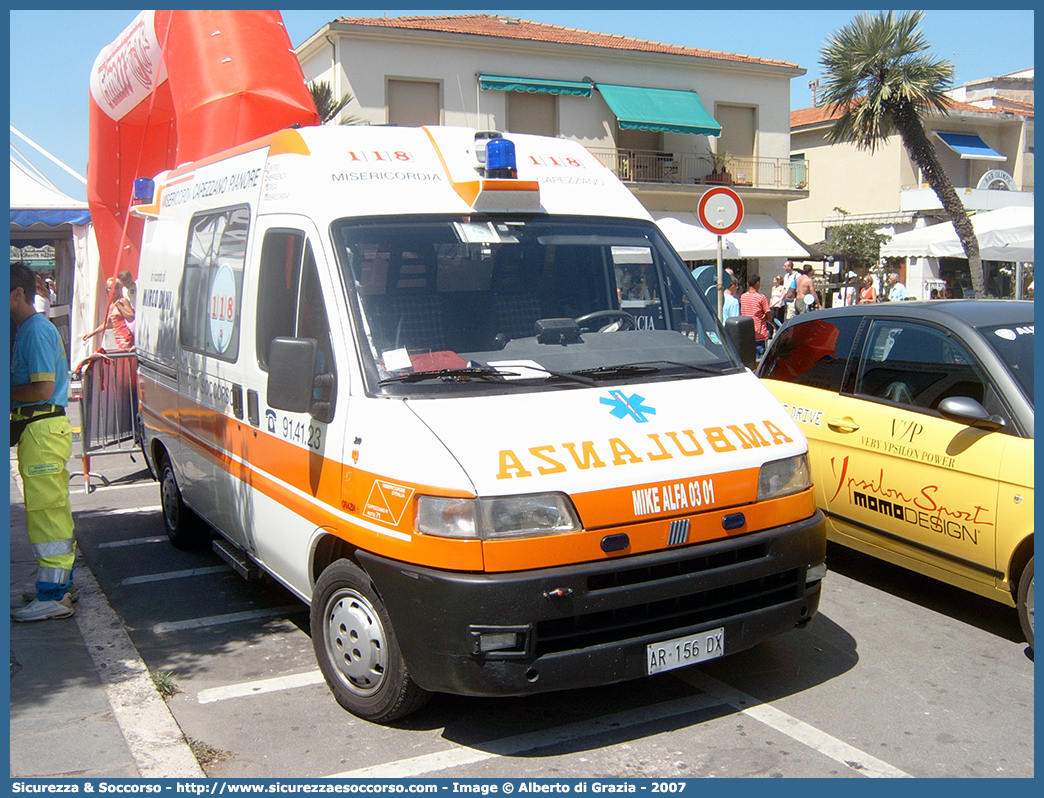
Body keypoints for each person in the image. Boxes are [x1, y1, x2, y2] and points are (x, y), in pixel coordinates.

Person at [10, 261, 77, 622]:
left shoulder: (34, 330)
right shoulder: (31, 328)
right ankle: (59, 586)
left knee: (46, 513)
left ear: (18, 294)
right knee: (53, 511)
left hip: (41, 426)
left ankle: (54, 594)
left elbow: (43, 388)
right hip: (44, 428)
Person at [83, 277, 134, 350]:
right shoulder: (111, 306)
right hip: (117, 338)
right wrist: (91, 334)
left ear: (119, 289)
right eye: (110, 288)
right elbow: (106, 324)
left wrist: (120, 306)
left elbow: (131, 317)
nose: (113, 290)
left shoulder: (123, 301)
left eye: (116, 288)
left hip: (126, 337)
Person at [740, 273, 772, 359]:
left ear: (747, 284)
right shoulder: (761, 297)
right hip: (759, 332)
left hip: (747, 332)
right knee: (760, 358)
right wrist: (767, 317)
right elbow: (768, 313)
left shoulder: (743, 297)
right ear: (757, 283)